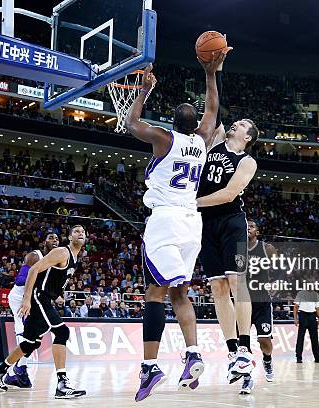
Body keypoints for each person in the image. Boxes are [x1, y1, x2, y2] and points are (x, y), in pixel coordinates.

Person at [124, 51, 227, 401]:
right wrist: (210, 73)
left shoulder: (163, 139)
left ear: (171, 122)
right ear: (194, 122)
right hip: (191, 224)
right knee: (180, 292)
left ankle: (150, 366)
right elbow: (213, 108)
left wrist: (143, 90)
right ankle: (194, 353)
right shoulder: (201, 140)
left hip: (165, 220)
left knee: (155, 292)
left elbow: (131, 124)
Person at [195, 59, 260, 392]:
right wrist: (214, 71)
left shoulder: (247, 161)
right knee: (217, 288)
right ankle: (234, 351)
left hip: (232, 220)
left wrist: (191, 203)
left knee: (236, 283)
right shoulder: (217, 138)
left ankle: (246, 346)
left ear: (248, 137)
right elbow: (215, 106)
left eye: (243, 124)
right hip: (206, 223)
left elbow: (228, 194)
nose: (237, 123)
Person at [0, 225, 86, 399]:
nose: (81, 234)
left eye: (83, 232)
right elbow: (33, 270)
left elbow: (54, 279)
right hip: (39, 297)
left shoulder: (75, 258)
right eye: (76, 231)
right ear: (69, 237)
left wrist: (57, 296)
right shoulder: (62, 252)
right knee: (62, 332)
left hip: (45, 298)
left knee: (30, 343)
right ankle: (62, 384)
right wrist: (26, 299)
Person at [3, 232, 59, 389]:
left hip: (34, 299)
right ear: (44, 242)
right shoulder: (35, 256)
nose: (55, 240)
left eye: (57, 238)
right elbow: (21, 280)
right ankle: (19, 369)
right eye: (51, 238)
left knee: (35, 336)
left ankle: (18, 371)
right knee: (25, 333)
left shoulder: (56, 261)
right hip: (20, 298)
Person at [246, 220, 277, 388]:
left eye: (251, 226)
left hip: (262, 302)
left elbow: (281, 269)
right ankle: (246, 375)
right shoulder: (236, 247)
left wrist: (275, 286)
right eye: (245, 225)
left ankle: (267, 360)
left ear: (257, 231)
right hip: (243, 302)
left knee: (264, 341)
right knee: (241, 342)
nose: (247, 228)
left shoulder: (267, 248)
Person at [294, 289, 319, 364]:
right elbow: (296, 306)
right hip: (303, 315)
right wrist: (295, 318)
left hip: (312, 316)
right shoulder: (300, 293)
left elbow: (318, 308)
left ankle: (317, 358)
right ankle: (299, 357)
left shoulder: (315, 294)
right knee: (300, 337)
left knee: (315, 338)